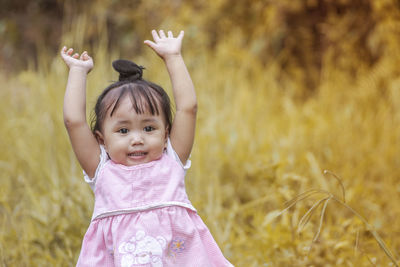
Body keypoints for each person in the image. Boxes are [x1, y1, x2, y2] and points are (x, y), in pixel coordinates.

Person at [60, 29, 233, 267]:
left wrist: (173, 58)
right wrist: (78, 72)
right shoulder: (100, 169)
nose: (137, 139)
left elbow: (188, 108)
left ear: (166, 135)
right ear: (101, 140)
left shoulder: (171, 158)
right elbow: (74, 122)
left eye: (149, 128)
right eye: (123, 131)